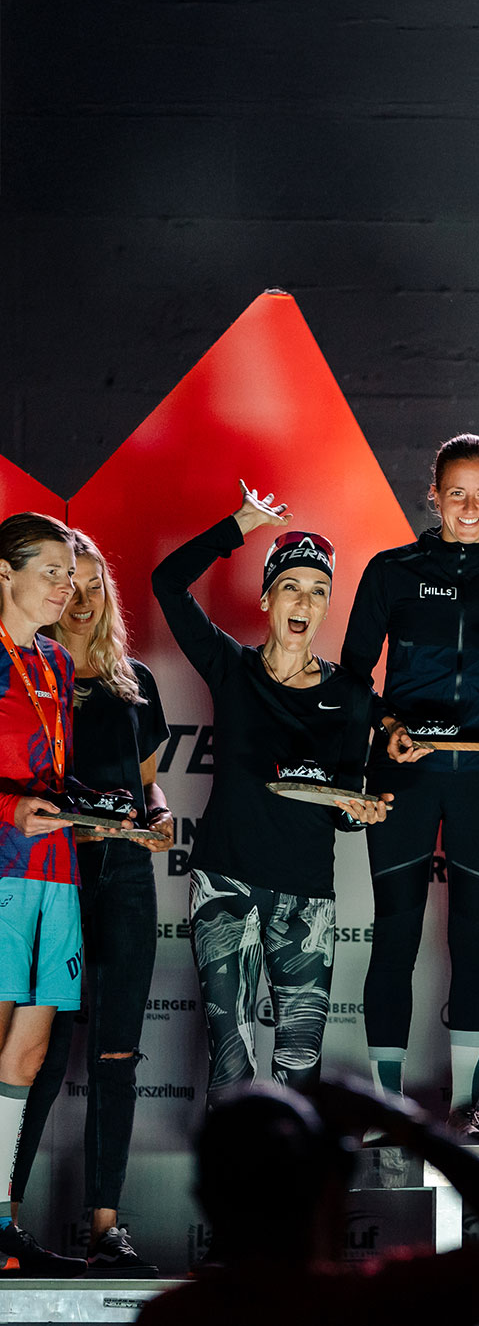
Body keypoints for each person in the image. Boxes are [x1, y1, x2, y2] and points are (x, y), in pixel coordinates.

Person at [152, 482, 387, 1110]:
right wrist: (239, 523)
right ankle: (234, 1208)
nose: (304, 601)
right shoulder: (231, 669)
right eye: (291, 586)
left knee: (300, 1066)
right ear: (266, 596)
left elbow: (347, 810)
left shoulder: (354, 699)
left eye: (318, 590)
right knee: (231, 1061)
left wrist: (356, 807)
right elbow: (167, 584)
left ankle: (293, 1208)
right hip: (224, 885)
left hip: (306, 898)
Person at [341, 434, 479, 1142]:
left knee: (474, 939)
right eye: (456, 491)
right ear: (433, 494)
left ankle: (467, 1106)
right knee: (393, 935)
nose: (469, 507)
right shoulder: (393, 571)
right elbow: (350, 677)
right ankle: (386, 1108)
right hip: (406, 772)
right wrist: (384, 727)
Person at [8, 530, 173, 1274]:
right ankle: (7, 1208)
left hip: (109, 883)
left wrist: (158, 815)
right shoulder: (31, 668)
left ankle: (101, 1225)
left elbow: (143, 783)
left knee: (99, 1055)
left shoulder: (129, 679)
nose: (78, 593)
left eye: (92, 582)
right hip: (40, 869)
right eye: (66, 580)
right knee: (29, 1058)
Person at [135, 1075, 479, 1326]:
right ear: (333, 1190)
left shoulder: (170, 1320)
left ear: (206, 1199)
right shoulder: (376, 1306)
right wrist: (397, 1118)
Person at [0, 512, 88, 1275]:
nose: (67, 585)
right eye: (52, 571)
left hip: (55, 873)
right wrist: (8, 811)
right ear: (5, 573)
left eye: (71, 573)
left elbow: (55, 772)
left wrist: (111, 816)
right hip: (0, 866)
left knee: (26, 1058)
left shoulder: (58, 665)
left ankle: (2, 1225)